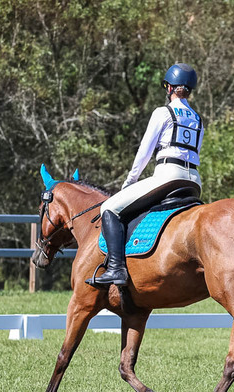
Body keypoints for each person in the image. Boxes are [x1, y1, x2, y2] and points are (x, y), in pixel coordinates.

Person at [87, 63, 204, 287]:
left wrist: (129, 182)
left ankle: (115, 268)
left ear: (169, 88)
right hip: (194, 182)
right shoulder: (198, 119)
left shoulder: (163, 112)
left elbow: (145, 152)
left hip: (168, 176)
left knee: (109, 208)